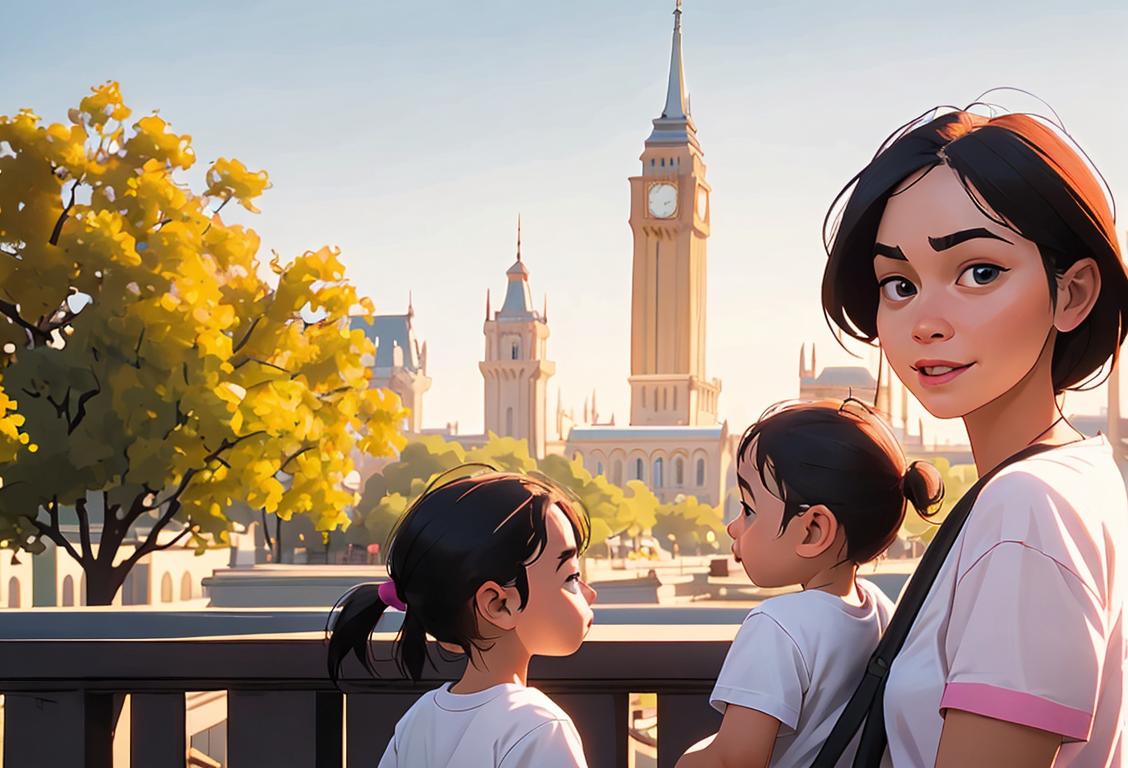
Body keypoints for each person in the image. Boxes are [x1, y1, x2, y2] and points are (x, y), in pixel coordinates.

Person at [821, 102, 1128, 766]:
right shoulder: (1081, 472)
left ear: (1072, 295)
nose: (925, 321)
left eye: (978, 273)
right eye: (898, 284)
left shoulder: (1029, 507)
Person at [677, 399, 942, 767]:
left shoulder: (776, 626)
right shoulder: (880, 610)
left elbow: (735, 760)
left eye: (749, 509)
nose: (733, 526)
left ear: (814, 529)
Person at [326, 467, 597, 767]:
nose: (589, 593)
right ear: (498, 604)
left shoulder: (418, 718)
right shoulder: (540, 726)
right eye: (571, 577)